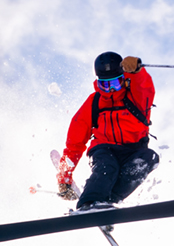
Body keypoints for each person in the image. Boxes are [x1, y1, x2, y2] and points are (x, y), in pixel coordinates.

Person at [57, 52, 156, 212]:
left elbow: (144, 87)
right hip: (104, 148)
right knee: (108, 167)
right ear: (98, 83)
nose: (111, 89)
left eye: (115, 83)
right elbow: (75, 141)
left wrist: (137, 72)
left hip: (133, 150)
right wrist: (64, 176)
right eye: (105, 85)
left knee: (149, 158)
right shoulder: (94, 102)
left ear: (124, 79)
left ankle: (106, 203)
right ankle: (89, 202)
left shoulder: (135, 97)